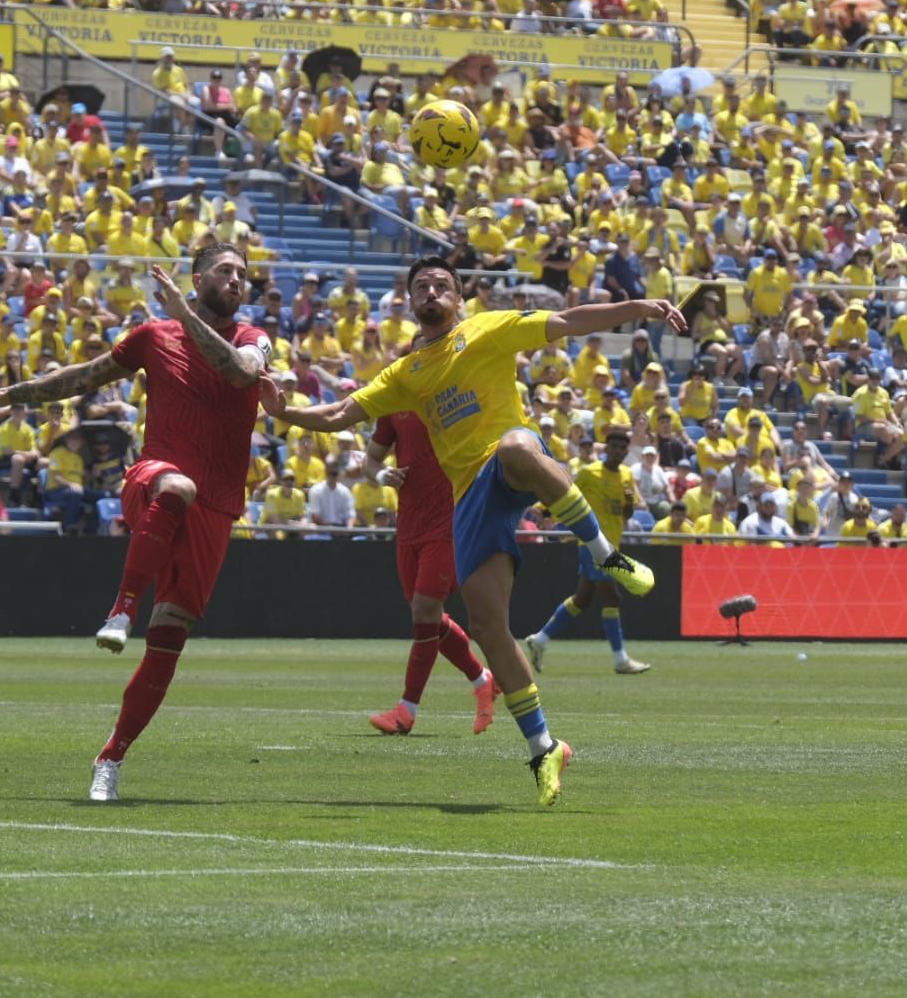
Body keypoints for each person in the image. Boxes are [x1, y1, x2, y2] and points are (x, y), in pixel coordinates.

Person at [261, 256, 684, 807]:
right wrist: (284, 412)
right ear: (410, 302)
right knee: (487, 626)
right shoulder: (406, 373)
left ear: (459, 299)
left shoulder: (488, 328)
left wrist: (638, 308)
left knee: (514, 447)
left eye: (442, 284)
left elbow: (571, 320)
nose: (431, 291)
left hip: (510, 457)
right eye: (421, 286)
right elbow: (342, 411)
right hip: (471, 499)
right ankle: (543, 747)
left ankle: (605, 553)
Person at [0, 244, 275, 803]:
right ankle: (122, 606)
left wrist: (183, 313)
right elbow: (87, 376)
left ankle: (110, 757)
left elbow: (237, 373)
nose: (236, 280)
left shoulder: (253, 339)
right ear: (198, 277)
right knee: (177, 486)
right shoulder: (155, 335)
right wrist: (8, 395)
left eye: (243, 274)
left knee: (170, 639)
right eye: (225, 270)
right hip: (158, 477)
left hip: (219, 506)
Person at [363, 411, 499, 737]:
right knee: (427, 617)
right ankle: (483, 679)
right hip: (408, 526)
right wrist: (381, 475)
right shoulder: (393, 400)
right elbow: (370, 460)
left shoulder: (450, 393)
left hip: (449, 523)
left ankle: (406, 711)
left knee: (424, 611)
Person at [523, 428, 653, 676]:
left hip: (611, 546)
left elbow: (626, 515)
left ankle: (540, 639)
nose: (616, 451)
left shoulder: (626, 475)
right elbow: (564, 489)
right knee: (613, 598)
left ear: (626, 451)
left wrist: (628, 503)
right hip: (593, 545)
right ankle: (620, 659)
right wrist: (543, 509)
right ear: (606, 449)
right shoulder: (590, 473)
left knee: (583, 598)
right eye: (612, 447)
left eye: (621, 448)